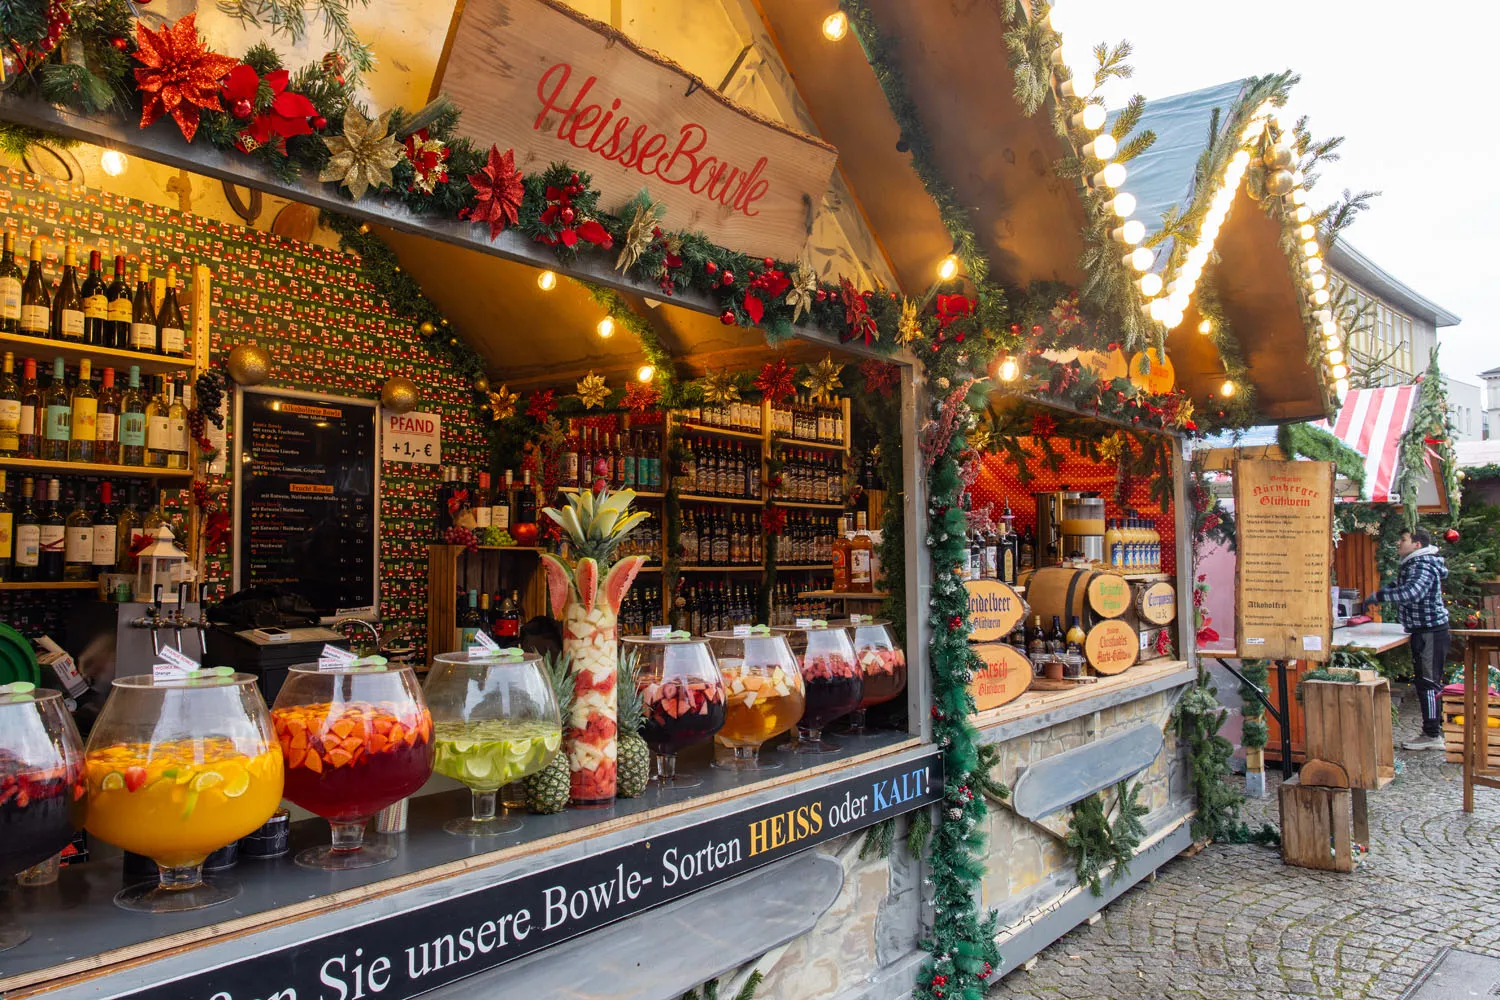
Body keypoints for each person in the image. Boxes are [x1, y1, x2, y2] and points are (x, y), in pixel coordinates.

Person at [1364, 528, 1450, 750]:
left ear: (1417, 544)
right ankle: (1433, 731)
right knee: (1427, 681)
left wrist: (1379, 596)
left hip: (1431, 631)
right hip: (1425, 630)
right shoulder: (1413, 564)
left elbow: (1412, 592)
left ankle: (1432, 735)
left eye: (1403, 539)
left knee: (1428, 683)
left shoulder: (1422, 565)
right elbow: (1401, 585)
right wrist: (1386, 590)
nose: (1398, 543)